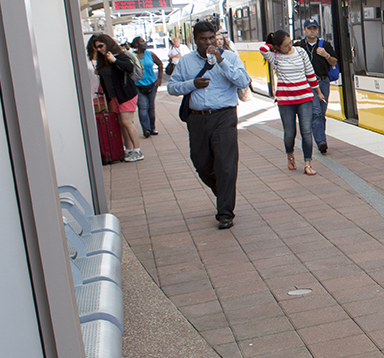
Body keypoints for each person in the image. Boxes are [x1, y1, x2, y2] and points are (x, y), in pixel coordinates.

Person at [167, 20, 250, 229]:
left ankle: (225, 213)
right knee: (201, 162)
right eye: (203, 39)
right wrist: (191, 85)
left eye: (211, 38)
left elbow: (243, 81)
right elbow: (171, 87)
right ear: (195, 41)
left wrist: (222, 61)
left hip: (224, 116)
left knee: (226, 165)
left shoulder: (230, 57)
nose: (208, 42)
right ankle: (223, 191)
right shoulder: (186, 62)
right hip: (197, 118)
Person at [261, 29, 322, 175]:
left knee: (306, 131)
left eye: (290, 43)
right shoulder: (274, 56)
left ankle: (307, 163)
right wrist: (273, 46)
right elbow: (263, 48)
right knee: (290, 133)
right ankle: (290, 155)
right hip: (285, 100)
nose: (290, 47)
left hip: (304, 97)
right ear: (277, 47)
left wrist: (318, 92)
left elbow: (310, 73)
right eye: (286, 45)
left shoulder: (300, 52)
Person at [87, 33, 143, 161]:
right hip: (113, 96)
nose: (100, 49)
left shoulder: (120, 56)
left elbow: (129, 68)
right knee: (122, 124)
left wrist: (115, 60)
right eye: (97, 47)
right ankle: (128, 150)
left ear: (108, 44)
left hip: (126, 94)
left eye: (101, 46)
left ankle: (138, 150)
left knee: (126, 122)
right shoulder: (102, 60)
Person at [294, 17, 337, 154]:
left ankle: (320, 137)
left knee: (322, 112)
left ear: (317, 30)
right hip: (307, 83)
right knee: (316, 112)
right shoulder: (298, 46)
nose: (312, 31)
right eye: (309, 28)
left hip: (323, 82)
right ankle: (321, 142)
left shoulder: (324, 45)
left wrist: (326, 55)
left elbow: (334, 61)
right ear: (304, 30)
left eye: (314, 28)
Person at [130, 36, 163, 138]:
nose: (145, 43)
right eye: (142, 42)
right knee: (143, 108)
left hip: (151, 84)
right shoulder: (132, 56)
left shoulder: (150, 54)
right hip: (138, 86)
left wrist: (159, 78)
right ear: (136, 45)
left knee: (151, 108)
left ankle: (152, 128)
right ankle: (146, 129)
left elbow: (160, 64)